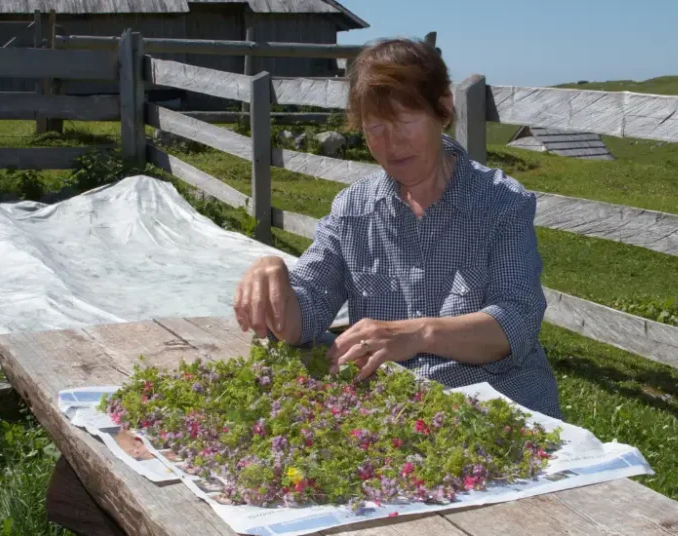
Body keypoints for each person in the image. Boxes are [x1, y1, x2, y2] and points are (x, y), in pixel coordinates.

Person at [232, 37, 562, 420]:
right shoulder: (353, 209)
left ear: (443, 108)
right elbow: (303, 315)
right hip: (396, 420)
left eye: (405, 122)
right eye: (375, 129)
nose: (392, 144)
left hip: (499, 415)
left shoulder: (500, 203)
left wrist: (417, 334)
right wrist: (272, 275)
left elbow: (515, 322)